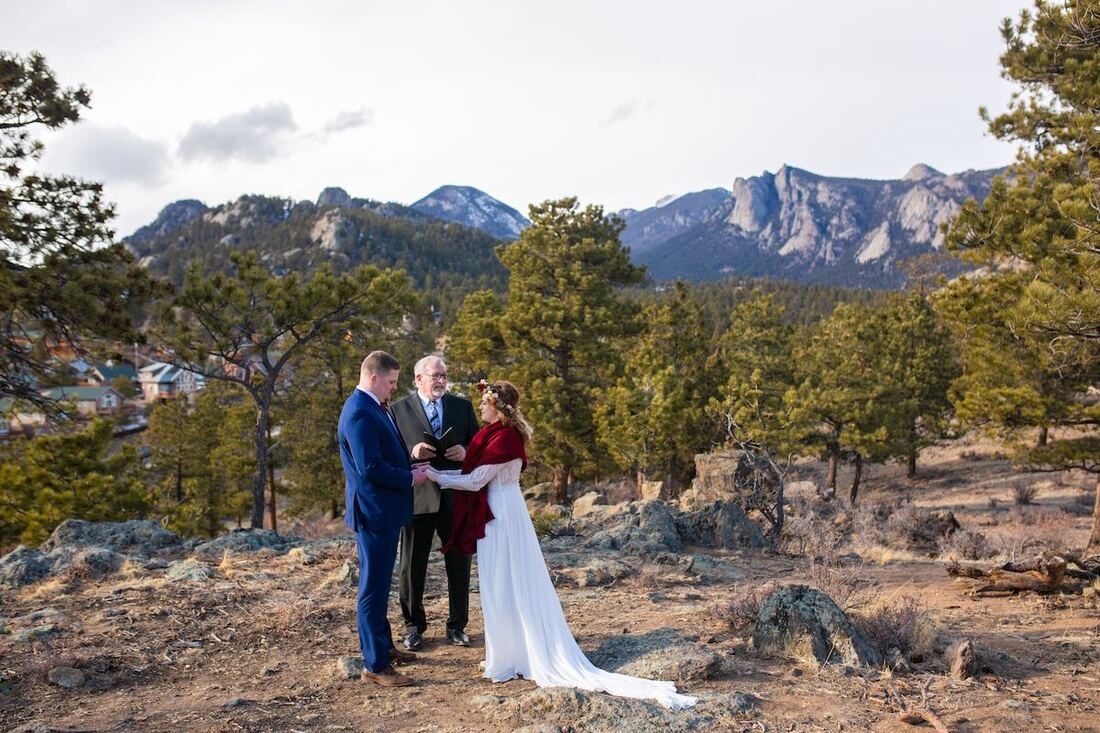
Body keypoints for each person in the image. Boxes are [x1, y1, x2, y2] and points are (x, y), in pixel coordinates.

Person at [427, 380, 697, 710]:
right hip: (499, 511)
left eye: (486, 402)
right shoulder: (494, 436)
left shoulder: (507, 438)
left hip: (503, 515)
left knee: (505, 583)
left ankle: (514, 657)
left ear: (500, 408)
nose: (480, 407)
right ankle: (509, 654)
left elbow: (474, 481)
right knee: (501, 584)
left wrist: (436, 476)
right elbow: (478, 468)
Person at [337, 350, 431, 687]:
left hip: (384, 510)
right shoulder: (360, 413)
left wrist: (409, 466)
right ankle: (375, 666)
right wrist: (410, 478)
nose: (393, 389)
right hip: (374, 512)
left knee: (379, 586)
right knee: (372, 590)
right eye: (390, 382)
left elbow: (383, 455)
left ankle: (384, 647)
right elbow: (370, 468)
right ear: (373, 377)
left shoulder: (373, 407)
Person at [389, 355, 480, 650]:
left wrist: (466, 451)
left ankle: (457, 626)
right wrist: (411, 451)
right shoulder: (397, 409)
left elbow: (479, 446)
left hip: (455, 497)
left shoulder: (461, 407)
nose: (441, 380)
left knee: (459, 563)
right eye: (435, 376)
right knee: (412, 566)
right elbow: (389, 453)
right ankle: (413, 626)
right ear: (418, 379)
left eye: (444, 375)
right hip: (417, 499)